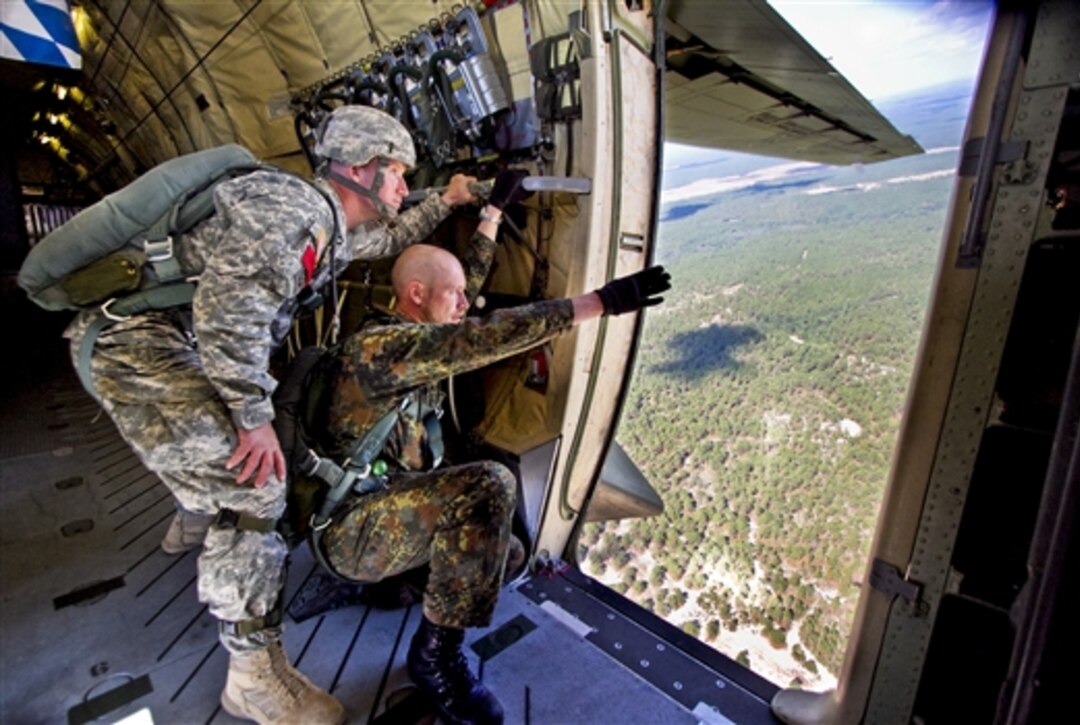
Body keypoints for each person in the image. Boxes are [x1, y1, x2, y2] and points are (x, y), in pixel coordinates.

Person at [63, 105, 479, 725]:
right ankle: (253, 677)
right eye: (396, 171)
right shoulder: (292, 212)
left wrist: (447, 200)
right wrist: (251, 417)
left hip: (175, 341)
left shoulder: (331, 225)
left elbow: (390, 239)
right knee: (253, 484)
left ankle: (194, 511)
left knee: (231, 454)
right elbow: (230, 317)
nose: (402, 185)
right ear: (360, 168)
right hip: (135, 342)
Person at [309, 169, 671, 724]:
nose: (465, 303)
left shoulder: (418, 333)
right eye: (452, 296)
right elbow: (479, 333)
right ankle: (436, 660)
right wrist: (599, 302)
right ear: (415, 296)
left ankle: (400, 583)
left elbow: (466, 287)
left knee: (509, 557)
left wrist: (493, 212)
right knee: (488, 485)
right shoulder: (381, 349)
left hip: (389, 504)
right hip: (350, 529)